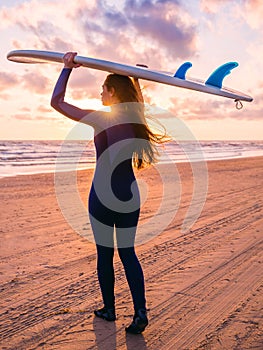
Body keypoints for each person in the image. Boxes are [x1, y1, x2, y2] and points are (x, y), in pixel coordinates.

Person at [51, 52, 167, 334]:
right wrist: (137, 78)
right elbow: (136, 102)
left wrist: (67, 69)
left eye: (103, 88)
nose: (99, 92)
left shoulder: (100, 118)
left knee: (105, 255)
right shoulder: (136, 121)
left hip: (102, 196)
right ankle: (140, 312)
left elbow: (56, 102)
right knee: (128, 253)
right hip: (129, 195)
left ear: (112, 92)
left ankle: (109, 309)